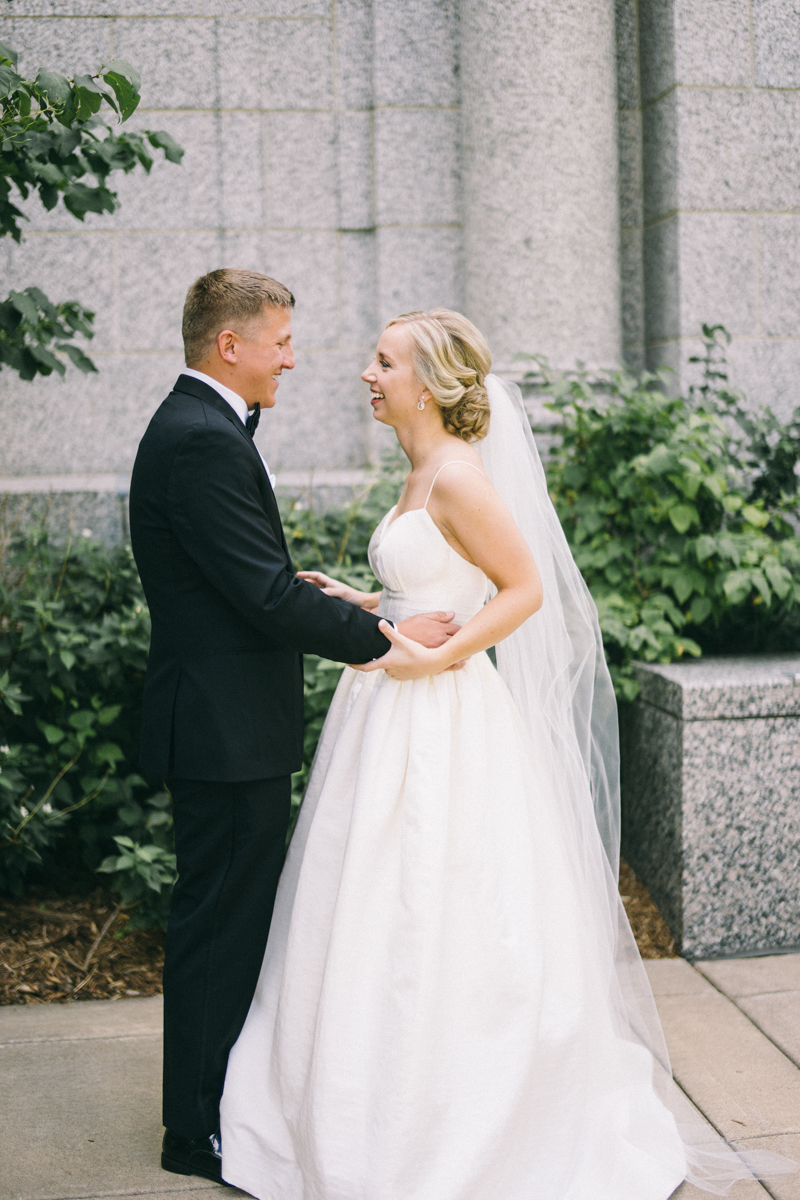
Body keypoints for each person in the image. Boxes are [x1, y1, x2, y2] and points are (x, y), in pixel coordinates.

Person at [219, 309, 797, 1198]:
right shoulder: (420, 470)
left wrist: (444, 654)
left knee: (444, 897)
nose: (367, 374)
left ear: (430, 382)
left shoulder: (457, 476)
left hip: (442, 712)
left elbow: (522, 588)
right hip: (387, 706)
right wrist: (366, 599)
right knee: (376, 895)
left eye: (384, 362)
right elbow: (435, 586)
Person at [128, 271, 461, 1184]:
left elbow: (255, 586)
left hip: (226, 724)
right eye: (279, 340)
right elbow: (263, 595)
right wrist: (388, 637)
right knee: (220, 925)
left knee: (229, 918)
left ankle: (217, 1103)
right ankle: (195, 1130)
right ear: (228, 345)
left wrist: (349, 607)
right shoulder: (200, 440)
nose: (293, 356)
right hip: (222, 732)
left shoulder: (198, 430)